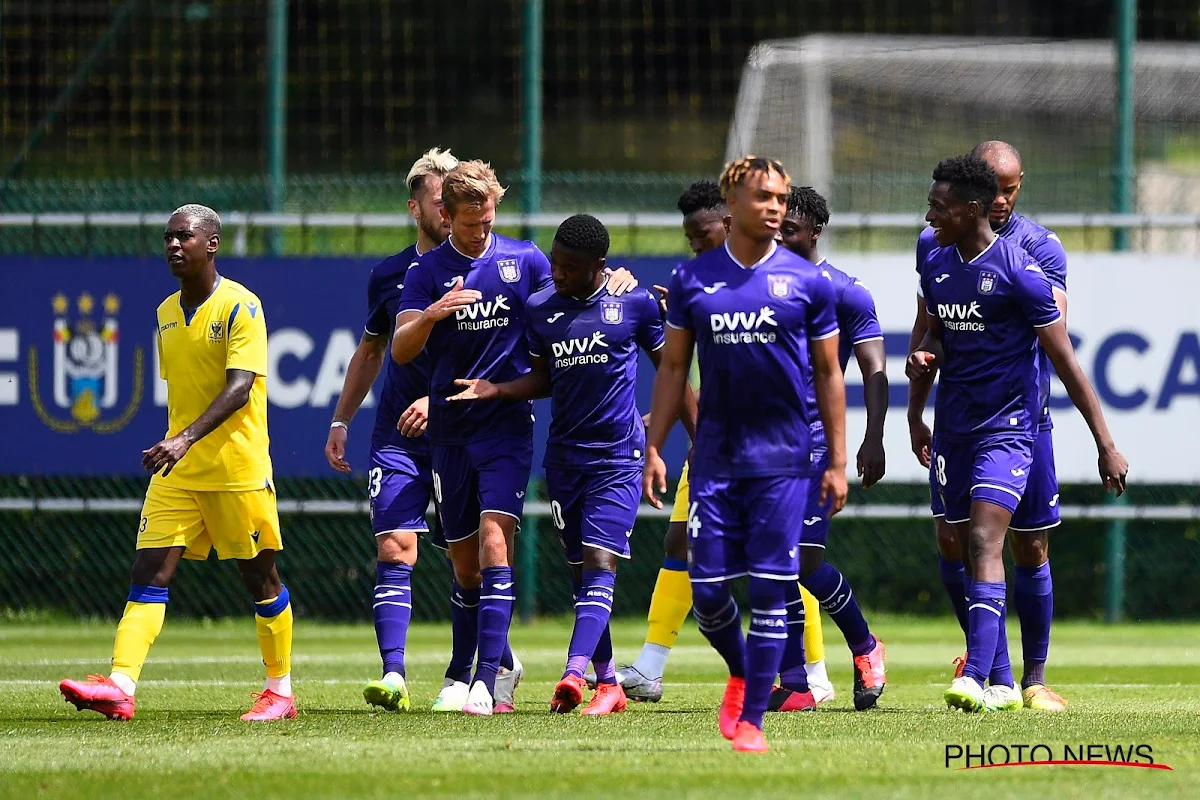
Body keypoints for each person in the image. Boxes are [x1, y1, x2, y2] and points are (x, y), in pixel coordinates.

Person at [392, 161, 637, 716]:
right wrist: (432, 314)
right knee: (462, 564)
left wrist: (615, 277)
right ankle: (480, 667)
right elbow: (402, 350)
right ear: (445, 215)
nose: (480, 231)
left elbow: (575, 295)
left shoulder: (523, 260)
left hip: (506, 428)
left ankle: (485, 683)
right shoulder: (427, 272)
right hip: (449, 431)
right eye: (469, 223)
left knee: (494, 538)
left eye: (487, 220)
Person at [449, 214, 695, 716]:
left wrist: (698, 441)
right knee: (583, 574)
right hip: (563, 459)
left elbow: (672, 373)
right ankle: (608, 682)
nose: (557, 273)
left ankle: (573, 671)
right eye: (555, 263)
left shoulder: (634, 304)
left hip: (617, 458)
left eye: (569, 267)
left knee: (601, 563)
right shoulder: (541, 308)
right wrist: (498, 389)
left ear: (598, 266)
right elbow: (543, 379)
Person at [644, 156, 849, 753]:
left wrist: (835, 460)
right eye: (764, 196)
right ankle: (741, 670)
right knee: (707, 593)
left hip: (784, 462)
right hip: (714, 459)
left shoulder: (808, 283)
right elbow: (674, 368)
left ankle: (753, 717)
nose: (776, 207)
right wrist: (654, 447)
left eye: (781, 197)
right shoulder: (691, 281)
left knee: (769, 591)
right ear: (732, 201)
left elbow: (830, 373)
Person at [909, 154, 1128, 713]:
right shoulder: (934, 254)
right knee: (958, 541)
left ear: (974, 205)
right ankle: (1000, 678)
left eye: (939, 205)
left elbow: (1067, 362)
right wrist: (917, 397)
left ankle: (994, 675)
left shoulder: (1028, 261)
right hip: (956, 427)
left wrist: (1105, 442)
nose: (929, 214)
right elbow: (932, 328)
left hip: (1016, 425)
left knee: (1009, 542)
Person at [59, 205, 295, 721]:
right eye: (167, 237)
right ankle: (121, 685)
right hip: (179, 469)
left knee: (261, 580)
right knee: (148, 571)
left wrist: (184, 438)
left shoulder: (242, 307)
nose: (173, 245)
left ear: (212, 243)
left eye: (183, 236)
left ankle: (280, 691)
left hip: (236, 470)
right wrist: (180, 443)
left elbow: (239, 389)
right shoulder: (166, 312)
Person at [324, 148, 521, 713]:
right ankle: (394, 675)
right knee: (396, 544)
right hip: (399, 432)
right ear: (420, 208)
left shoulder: (495, 268)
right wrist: (342, 419)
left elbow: (507, 347)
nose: (450, 210)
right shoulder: (393, 275)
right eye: (440, 201)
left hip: (461, 427)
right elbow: (372, 349)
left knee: (473, 558)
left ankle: (487, 662)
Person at [774, 186, 888, 712]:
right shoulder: (761, 286)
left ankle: (865, 647)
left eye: (790, 229)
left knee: (804, 560)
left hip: (818, 444)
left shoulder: (845, 293)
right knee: (776, 562)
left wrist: (873, 437)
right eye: (775, 227)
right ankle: (796, 685)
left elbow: (873, 370)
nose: (780, 236)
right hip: (765, 445)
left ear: (815, 231)